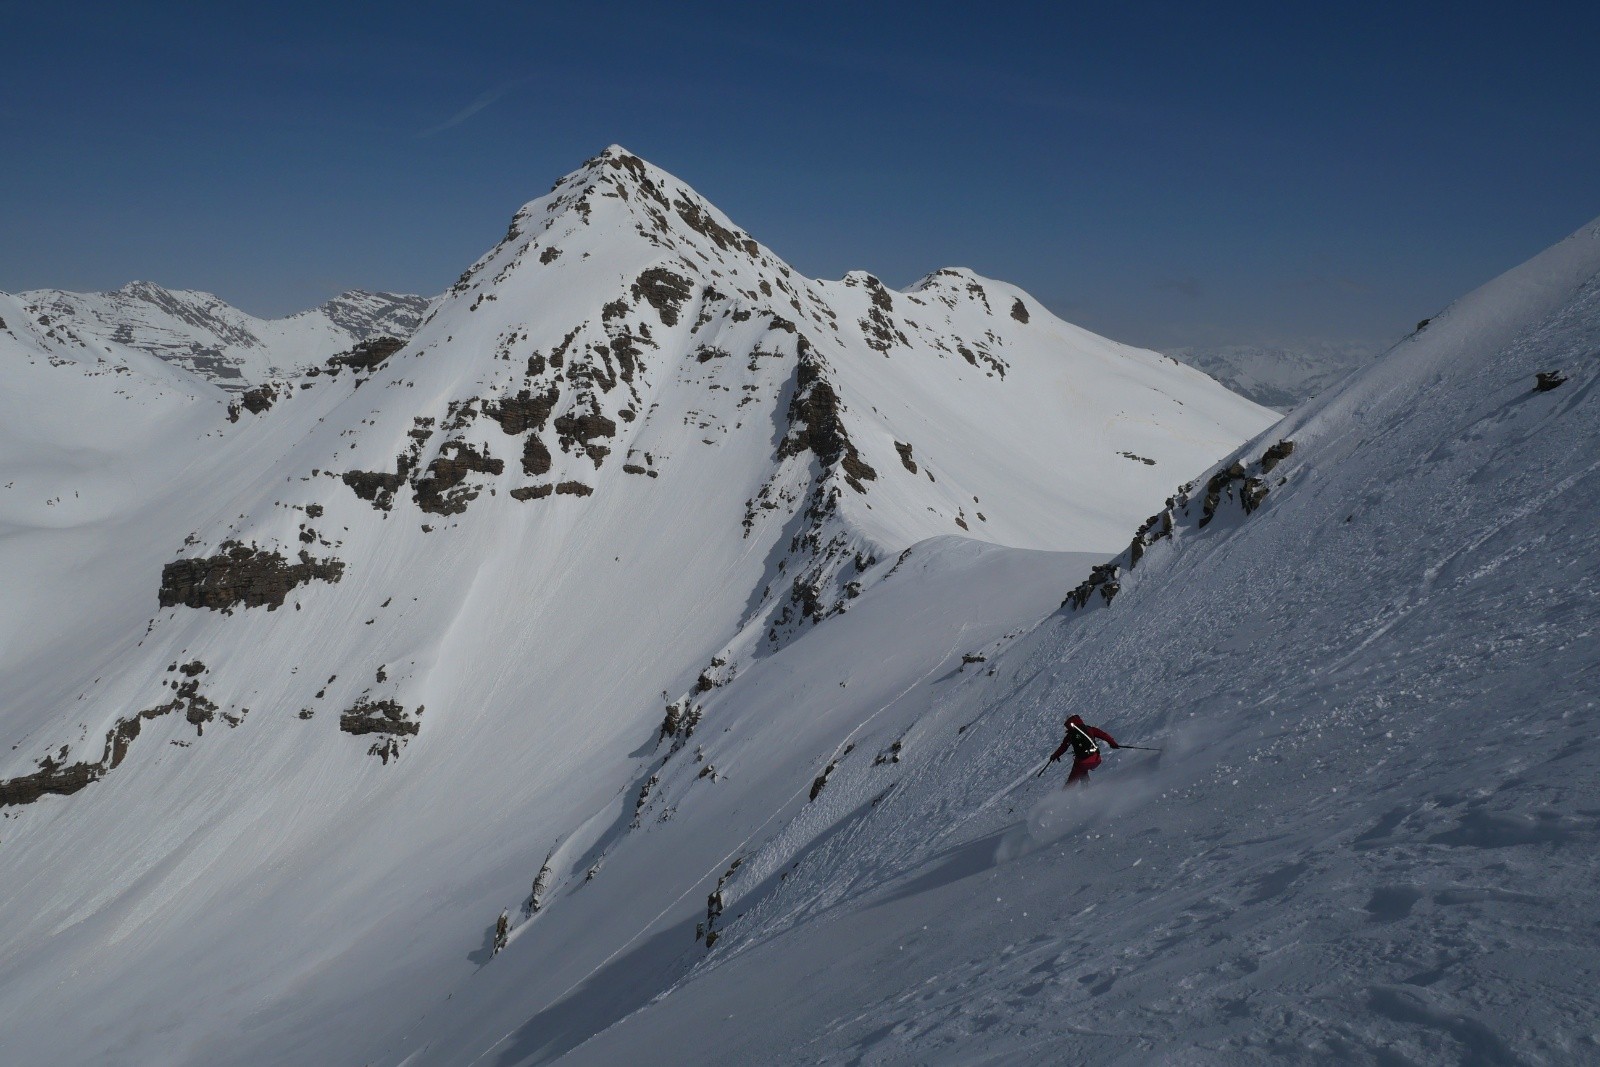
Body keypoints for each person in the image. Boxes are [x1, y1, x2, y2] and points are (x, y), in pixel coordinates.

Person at [1048, 714, 1119, 787]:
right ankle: (1085, 786)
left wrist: (1055, 755)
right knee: (1083, 768)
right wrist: (1114, 744)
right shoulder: (1089, 729)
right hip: (1096, 759)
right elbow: (1104, 735)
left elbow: (1063, 748)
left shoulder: (1070, 735)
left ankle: (1066, 796)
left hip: (1082, 763)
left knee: (1071, 783)